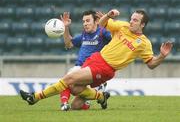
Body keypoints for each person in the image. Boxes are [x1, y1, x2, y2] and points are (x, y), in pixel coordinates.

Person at [20, 9, 173, 110]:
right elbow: (101, 24)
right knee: (75, 98)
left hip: (105, 68)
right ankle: (101, 96)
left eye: (135, 20)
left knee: (69, 78)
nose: (131, 21)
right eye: (132, 18)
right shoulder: (123, 26)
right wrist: (108, 15)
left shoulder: (144, 43)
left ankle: (34, 97)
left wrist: (161, 56)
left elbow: (151, 64)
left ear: (143, 24)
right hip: (96, 59)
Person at [59, 10, 111, 111]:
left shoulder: (102, 32)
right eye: (84, 21)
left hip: (94, 71)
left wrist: (108, 23)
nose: (85, 24)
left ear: (96, 21)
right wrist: (66, 27)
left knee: (67, 79)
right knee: (76, 106)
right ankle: (98, 97)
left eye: (88, 21)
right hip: (80, 67)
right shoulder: (83, 35)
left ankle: (64, 103)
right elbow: (68, 44)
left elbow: (116, 38)